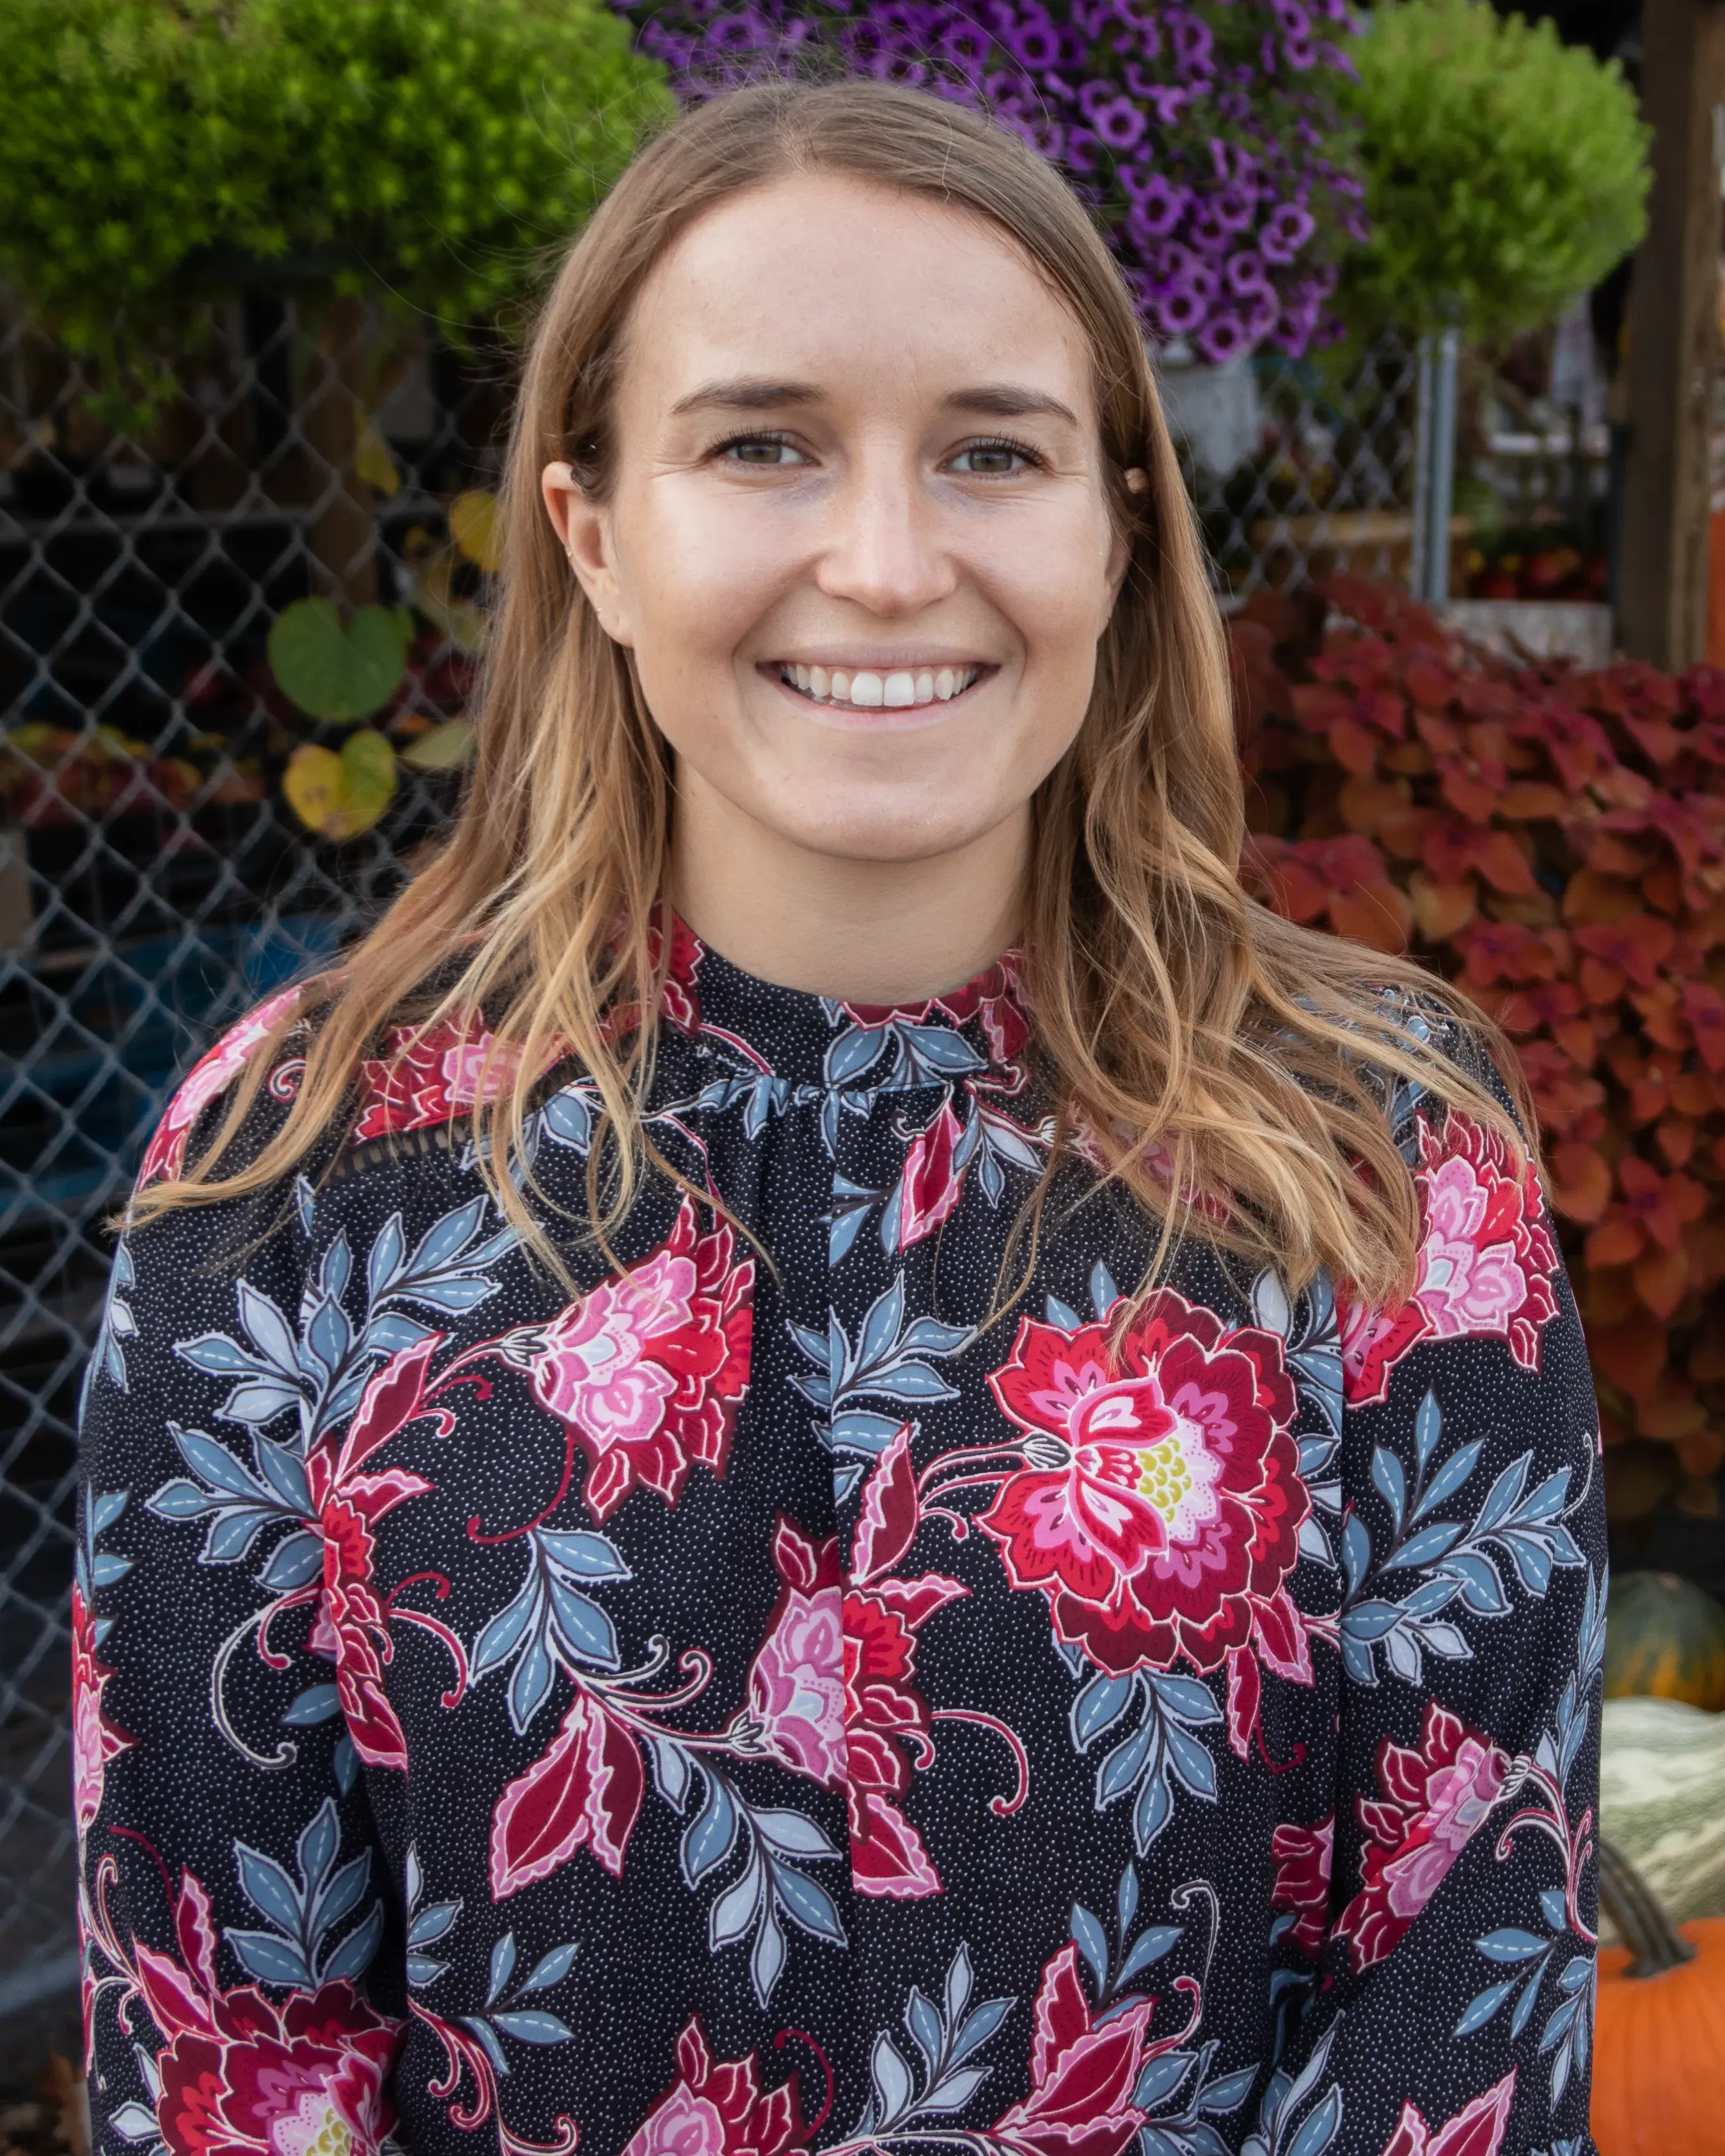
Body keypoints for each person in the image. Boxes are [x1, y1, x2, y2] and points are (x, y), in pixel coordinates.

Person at [77, 79, 1605, 2156]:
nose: (887, 565)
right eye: (762, 446)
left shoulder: (1382, 1169)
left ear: (1119, 529)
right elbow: (232, 2043)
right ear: (595, 538)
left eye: (993, 453)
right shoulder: (301, 1172)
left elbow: (1462, 2003)